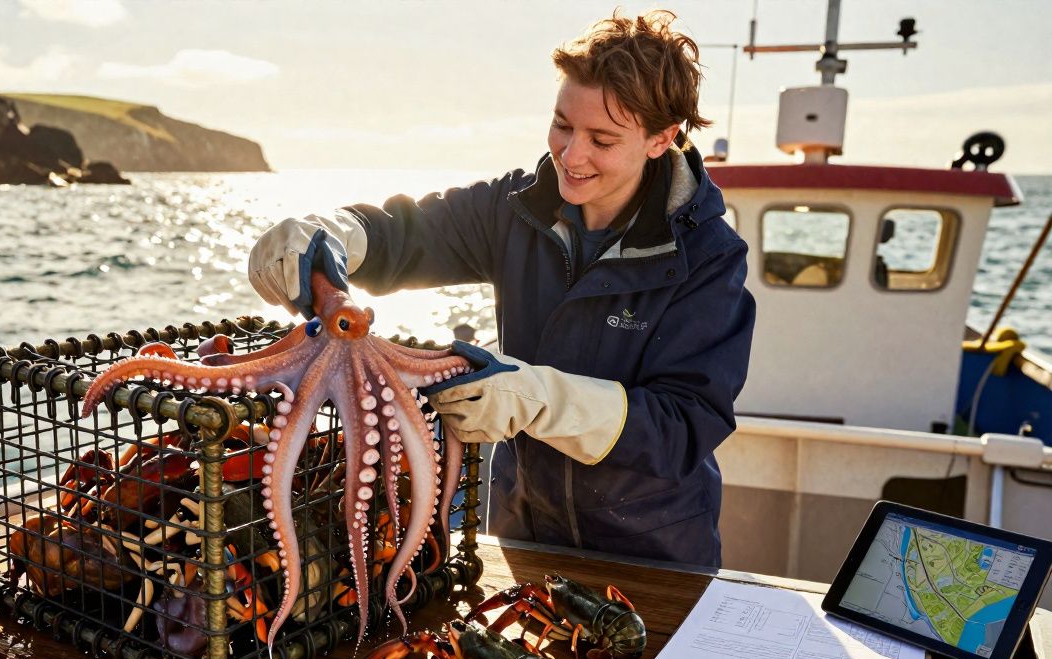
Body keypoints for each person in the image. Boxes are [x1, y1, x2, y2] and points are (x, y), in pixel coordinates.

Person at [247, 10, 755, 568]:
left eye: (602, 140)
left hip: (652, 553)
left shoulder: (710, 257)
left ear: (662, 138)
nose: (571, 154)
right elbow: (404, 235)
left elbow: (685, 425)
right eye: (562, 124)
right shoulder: (513, 209)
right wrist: (331, 235)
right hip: (521, 530)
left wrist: (539, 401)